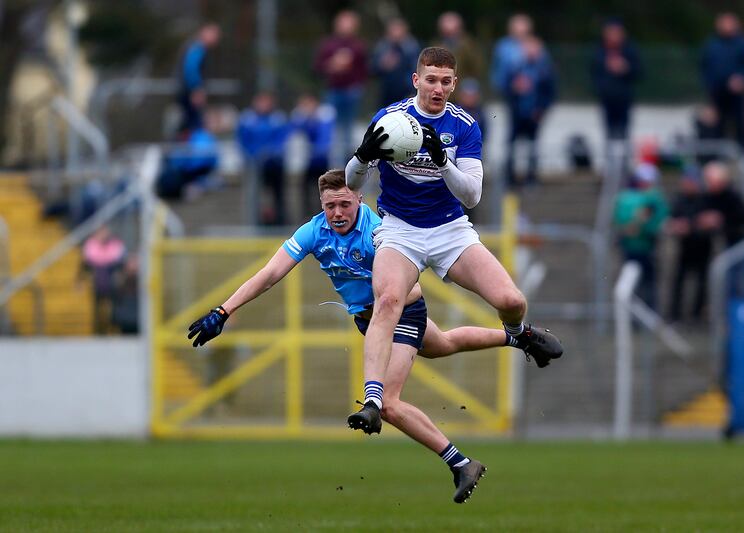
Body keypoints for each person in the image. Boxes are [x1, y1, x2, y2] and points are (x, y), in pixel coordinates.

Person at [188, 169, 544, 503]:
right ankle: (519, 337)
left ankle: (460, 463)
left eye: (345, 204)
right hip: (370, 321)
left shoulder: (378, 232)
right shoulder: (313, 231)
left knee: (388, 403)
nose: (338, 212)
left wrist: (386, 309)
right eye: (330, 206)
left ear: (359, 199)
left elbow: (400, 287)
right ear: (321, 205)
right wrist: (223, 310)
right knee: (443, 345)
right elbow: (269, 274)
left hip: (402, 311)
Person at [344, 47, 562, 450]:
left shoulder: (464, 127)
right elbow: (353, 185)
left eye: (446, 81)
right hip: (400, 230)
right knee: (389, 300)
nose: (438, 88)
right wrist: (361, 156)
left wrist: (444, 163)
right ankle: (373, 399)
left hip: (449, 231)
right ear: (416, 80)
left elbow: (473, 196)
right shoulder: (390, 121)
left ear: (454, 83)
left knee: (512, 300)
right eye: (430, 79)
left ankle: (517, 335)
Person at [313, 10, 368, 165]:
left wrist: (357, 83)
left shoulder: (358, 46)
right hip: (333, 91)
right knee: (333, 130)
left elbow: (364, 70)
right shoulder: (328, 45)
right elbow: (317, 68)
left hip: (352, 92)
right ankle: (334, 168)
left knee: (349, 131)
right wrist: (331, 65)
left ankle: (348, 167)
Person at [502, 34, 557, 186]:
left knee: (533, 146)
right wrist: (515, 88)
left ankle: (531, 176)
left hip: (534, 114)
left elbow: (550, 93)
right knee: (512, 144)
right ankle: (510, 176)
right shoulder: (516, 67)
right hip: (517, 113)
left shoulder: (545, 70)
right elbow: (505, 88)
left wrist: (541, 109)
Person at [613, 163, 669, 310]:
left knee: (645, 284)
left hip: (644, 246)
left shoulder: (629, 198)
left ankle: (646, 314)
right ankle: (640, 315)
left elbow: (653, 222)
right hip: (638, 247)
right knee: (640, 284)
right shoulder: (647, 198)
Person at [699, 161, 744, 299]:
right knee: (729, 279)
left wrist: (721, 219)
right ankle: (731, 311)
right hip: (729, 242)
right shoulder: (708, 197)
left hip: (743, 241)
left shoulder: (732, 196)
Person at [700, 12, 744, 150]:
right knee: (716, 123)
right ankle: (716, 155)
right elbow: (704, 67)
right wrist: (708, 86)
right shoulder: (711, 45)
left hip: (737, 92)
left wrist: (743, 79)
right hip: (716, 92)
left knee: (740, 123)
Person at [237, 92, 292, 225]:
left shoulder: (277, 118)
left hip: (275, 164)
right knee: (254, 195)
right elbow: (243, 141)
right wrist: (253, 155)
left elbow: (282, 140)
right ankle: (254, 221)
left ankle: (280, 220)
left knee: (278, 194)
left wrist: (271, 153)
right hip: (255, 164)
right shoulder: (247, 119)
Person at [667, 168, 713, 322]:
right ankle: (674, 313)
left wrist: (698, 225)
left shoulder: (706, 199)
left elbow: (711, 220)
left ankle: (697, 313)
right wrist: (676, 226)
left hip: (703, 247)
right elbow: (671, 220)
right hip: (685, 247)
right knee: (679, 281)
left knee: (701, 283)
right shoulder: (679, 200)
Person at [590, 18, 642, 141]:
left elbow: (639, 72)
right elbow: (593, 73)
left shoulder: (630, 50)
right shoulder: (599, 51)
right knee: (608, 133)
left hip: (624, 98)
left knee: (624, 133)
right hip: (606, 98)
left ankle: (623, 158)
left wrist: (625, 68)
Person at [291, 93, 336, 216]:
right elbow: (296, 129)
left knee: (325, 188)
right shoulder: (303, 118)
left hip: (322, 160)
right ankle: (307, 215)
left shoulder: (325, 115)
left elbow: (324, 138)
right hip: (309, 161)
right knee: (306, 189)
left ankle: (325, 213)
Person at [176, 23, 221, 138]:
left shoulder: (195, 47)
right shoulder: (197, 48)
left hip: (186, 90)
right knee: (193, 124)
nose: (216, 38)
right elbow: (191, 68)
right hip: (189, 92)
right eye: (214, 34)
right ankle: (185, 151)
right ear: (204, 33)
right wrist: (196, 89)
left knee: (189, 122)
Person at [80, 225, 126, 334]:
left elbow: (121, 265)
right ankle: (98, 330)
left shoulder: (116, 245)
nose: (103, 235)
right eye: (101, 232)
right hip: (97, 283)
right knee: (97, 310)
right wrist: (81, 281)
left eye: (105, 232)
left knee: (113, 309)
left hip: (112, 285)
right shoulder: (90, 246)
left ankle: (114, 327)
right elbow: (85, 265)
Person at [371, 17, 421, 108]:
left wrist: (413, 91)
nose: (396, 33)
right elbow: (372, 69)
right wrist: (383, 65)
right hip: (385, 93)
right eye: (393, 30)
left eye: (398, 30)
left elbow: (417, 69)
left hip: (406, 92)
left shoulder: (412, 46)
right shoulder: (382, 46)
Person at [490, 13, 534, 96]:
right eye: (518, 31)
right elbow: (498, 72)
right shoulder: (503, 47)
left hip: (531, 94)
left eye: (524, 32)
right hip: (506, 93)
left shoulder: (536, 46)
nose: (521, 35)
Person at [432, 12, 484, 80]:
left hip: (463, 84)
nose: (450, 37)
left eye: (453, 32)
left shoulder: (469, 44)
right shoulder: (435, 46)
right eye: (447, 33)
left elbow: (478, 68)